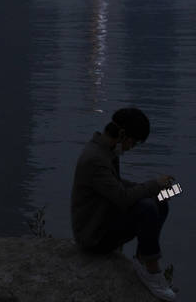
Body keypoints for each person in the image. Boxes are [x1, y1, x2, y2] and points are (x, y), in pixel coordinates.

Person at [71, 107, 177, 300]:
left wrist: (156, 189)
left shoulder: (106, 152)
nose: (131, 148)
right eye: (133, 142)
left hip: (104, 218)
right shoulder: (96, 159)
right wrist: (153, 185)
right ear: (122, 135)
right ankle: (152, 273)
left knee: (160, 201)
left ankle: (142, 260)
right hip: (93, 235)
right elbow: (122, 198)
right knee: (146, 208)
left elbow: (116, 186)